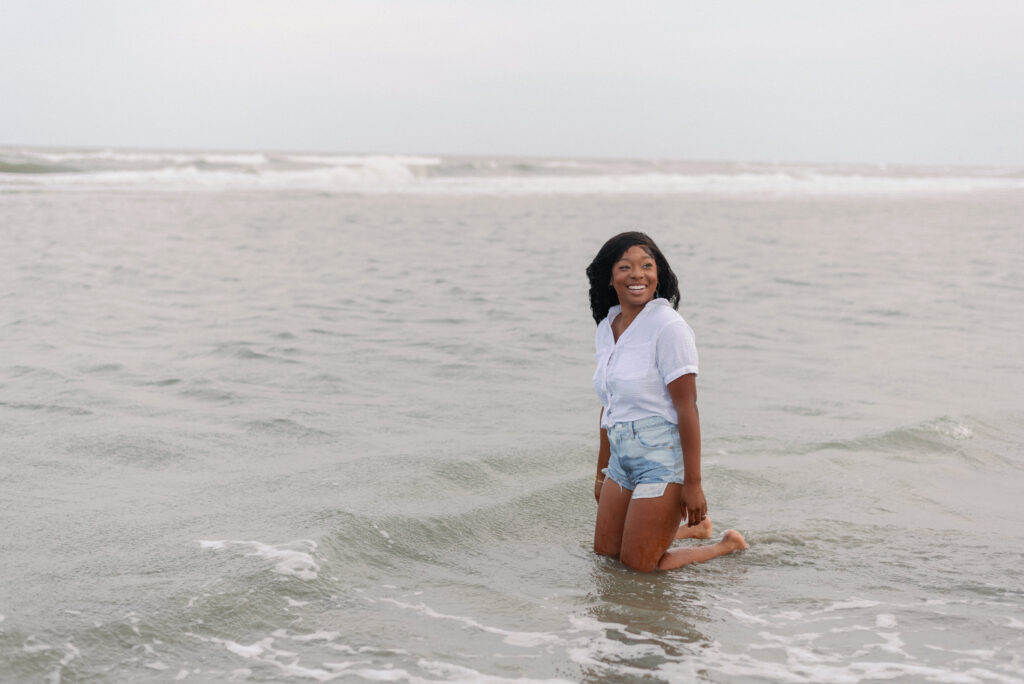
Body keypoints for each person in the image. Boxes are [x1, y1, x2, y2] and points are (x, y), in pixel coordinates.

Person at [586, 232, 747, 572]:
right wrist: (602, 473)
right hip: (621, 458)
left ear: (658, 274)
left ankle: (725, 545)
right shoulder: (608, 326)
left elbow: (687, 407)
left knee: (640, 566)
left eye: (647, 266)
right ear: (610, 276)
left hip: (661, 459)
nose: (637, 275)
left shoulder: (668, 327)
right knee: (605, 556)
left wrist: (693, 484)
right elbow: (609, 404)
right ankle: (692, 531)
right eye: (625, 267)